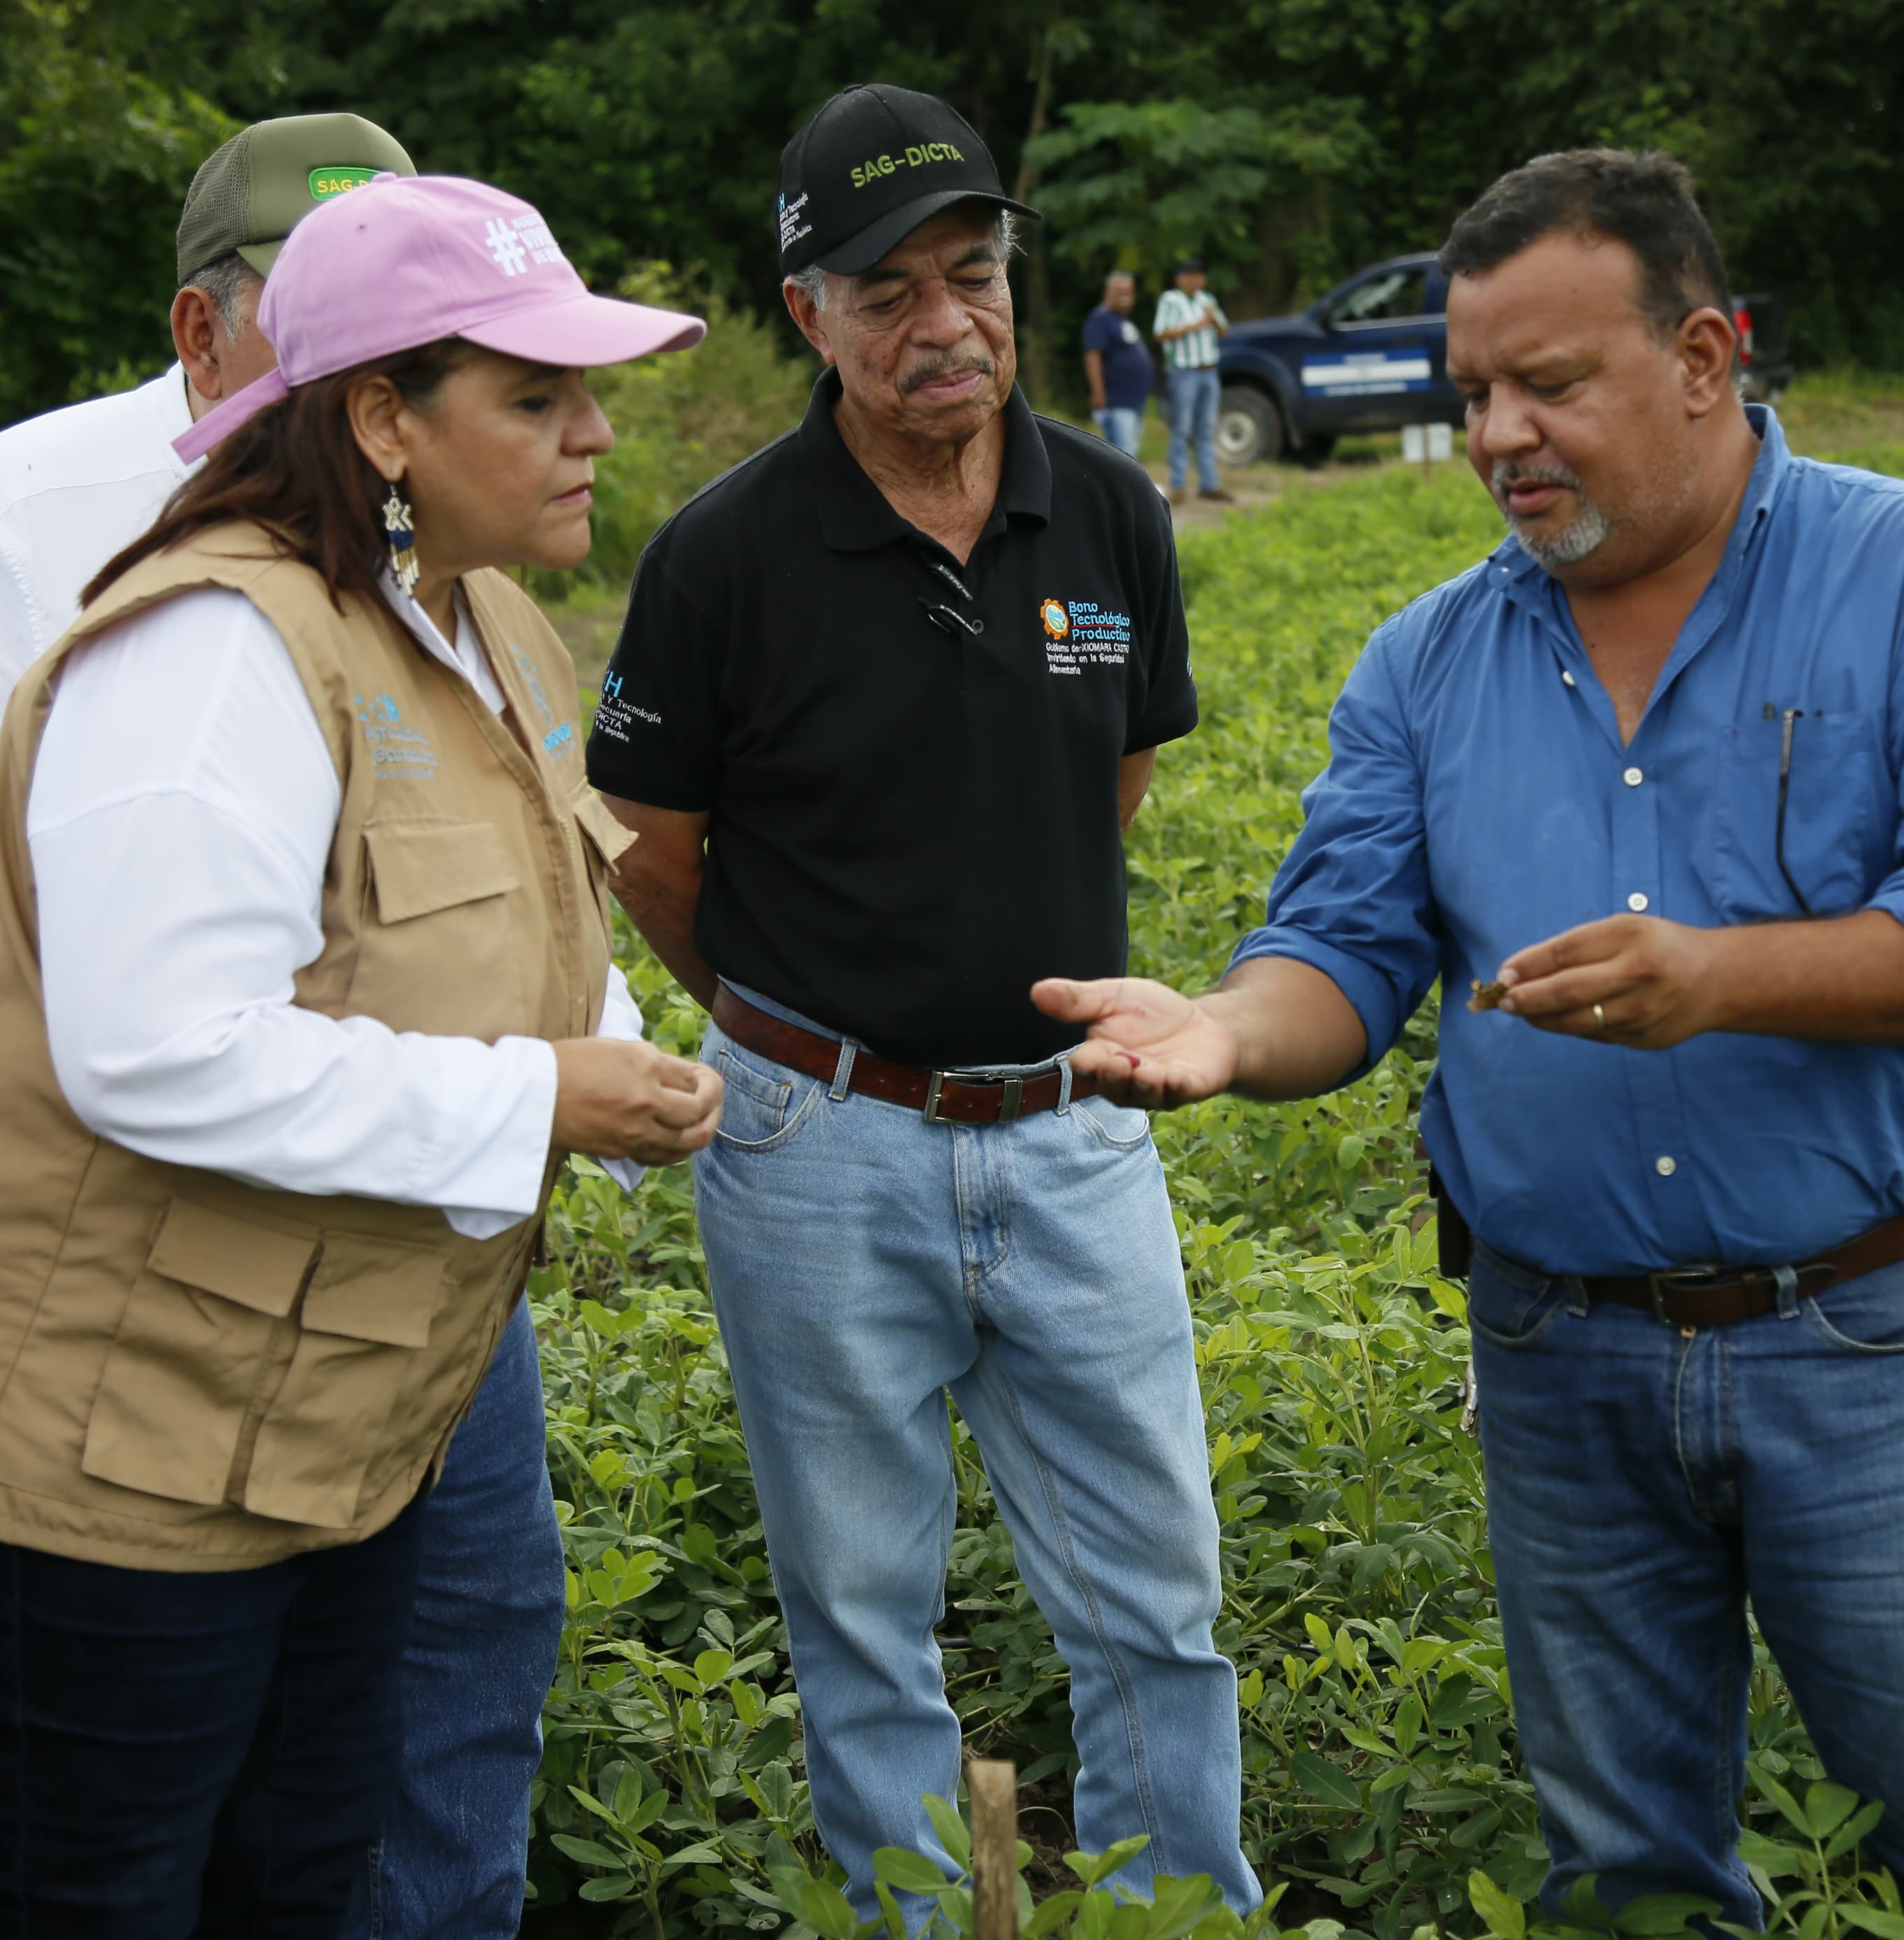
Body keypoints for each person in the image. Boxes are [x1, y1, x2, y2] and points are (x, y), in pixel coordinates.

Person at [1036, 149, 1904, 1937]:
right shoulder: (1427, 661)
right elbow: (1342, 950)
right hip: (1556, 1350)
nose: (1497, 434)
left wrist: (1724, 978)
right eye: (1471, 394)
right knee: (1622, 1874)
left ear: (1701, 356)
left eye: (1549, 383)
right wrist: (1223, 1032)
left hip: (1863, 1335)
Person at [0, 174, 723, 1934]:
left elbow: (522, 910)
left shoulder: (485, 627)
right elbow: (159, 1052)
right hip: (92, 1447)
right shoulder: (218, 645)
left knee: (302, 1878)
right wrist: (541, 1097)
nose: (595, 433)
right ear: (380, 416)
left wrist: (616, 1047)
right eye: (536, 397)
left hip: (315, 1424)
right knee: (103, 1897)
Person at [588, 83, 1260, 1916]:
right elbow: (651, 844)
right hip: (815, 1147)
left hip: (1074, 1133)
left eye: (970, 274)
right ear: (804, 310)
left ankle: (1172, 1912)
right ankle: (897, 1910)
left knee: (1160, 1594)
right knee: (861, 1608)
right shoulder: (725, 554)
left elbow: (1104, 773)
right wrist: (794, 1030)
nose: (941, 322)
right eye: (886, 291)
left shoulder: (1108, 513)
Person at [1152, 257, 1230, 501]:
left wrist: (1213, 320)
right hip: (1184, 371)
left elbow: (1223, 332)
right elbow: (1161, 333)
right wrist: (1197, 324)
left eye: (1200, 275)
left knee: (1207, 429)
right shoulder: (1171, 300)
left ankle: (1209, 483)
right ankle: (1178, 484)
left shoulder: (1207, 300)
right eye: (1192, 275)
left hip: (1209, 370)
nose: (1198, 280)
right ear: (1181, 278)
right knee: (1182, 428)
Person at [1081, 269, 1152, 459]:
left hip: (1133, 401)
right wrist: (1098, 393)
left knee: (1129, 453)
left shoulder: (1122, 320)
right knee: (1123, 456)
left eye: (1129, 292)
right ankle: (1124, 490)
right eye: (1120, 291)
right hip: (1117, 401)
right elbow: (1093, 355)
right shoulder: (1101, 319)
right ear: (1107, 294)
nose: (1126, 297)